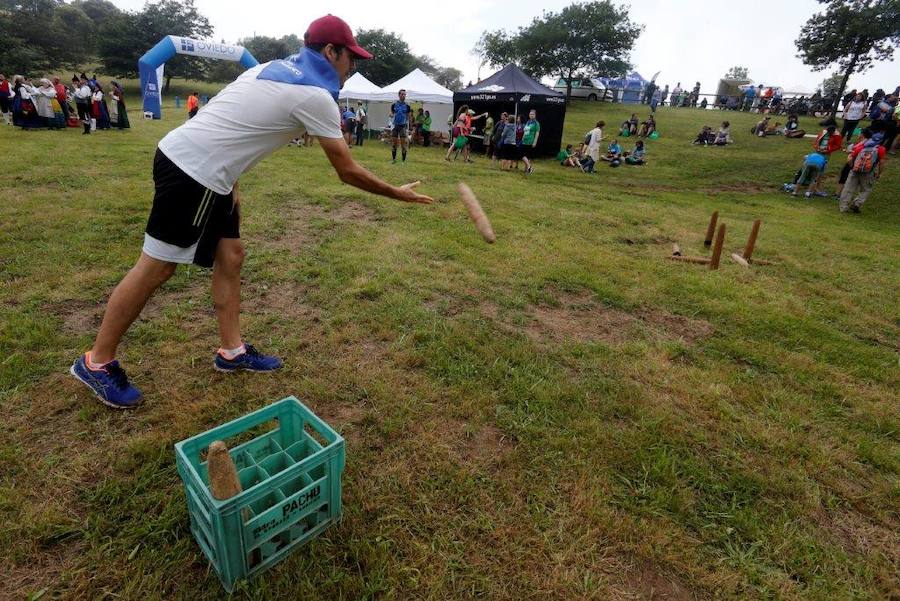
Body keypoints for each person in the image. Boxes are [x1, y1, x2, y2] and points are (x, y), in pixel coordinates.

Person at [69, 14, 433, 409]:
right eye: (351, 58)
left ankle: (232, 351)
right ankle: (98, 362)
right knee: (158, 266)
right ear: (330, 52)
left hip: (211, 171)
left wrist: (232, 183)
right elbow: (347, 171)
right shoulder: (314, 94)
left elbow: (231, 119)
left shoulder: (270, 67)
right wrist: (398, 194)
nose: (353, 67)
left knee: (231, 255)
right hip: (194, 171)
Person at [839, 128, 885, 213]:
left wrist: (852, 166)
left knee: (849, 188)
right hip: (868, 173)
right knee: (866, 189)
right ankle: (856, 204)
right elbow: (881, 163)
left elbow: (849, 159)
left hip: (855, 171)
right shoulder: (881, 149)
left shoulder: (860, 147)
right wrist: (879, 173)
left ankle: (843, 207)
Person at [389, 89, 411, 163]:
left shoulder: (407, 105)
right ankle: (393, 159)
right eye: (402, 94)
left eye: (404, 94)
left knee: (403, 144)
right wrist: (391, 115)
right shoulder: (394, 104)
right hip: (395, 126)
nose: (403, 95)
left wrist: (409, 126)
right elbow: (391, 113)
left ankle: (403, 161)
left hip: (403, 126)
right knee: (394, 144)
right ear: (399, 95)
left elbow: (408, 116)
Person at [520, 109, 540, 175]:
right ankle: (528, 169)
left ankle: (528, 168)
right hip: (524, 140)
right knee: (524, 155)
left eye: (533, 114)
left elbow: (537, 133)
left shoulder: (536, 123)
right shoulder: (528, 122)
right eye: (530, 114)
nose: (531, 115)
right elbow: (525, 131)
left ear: (535, 115)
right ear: (529, 115)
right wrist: (522, 137)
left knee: (525, 156)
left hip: (530, 141)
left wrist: (535, 142)